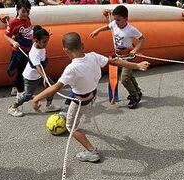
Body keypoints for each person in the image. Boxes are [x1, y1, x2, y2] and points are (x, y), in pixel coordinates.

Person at [31, 32, 150, 162]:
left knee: (71, 127)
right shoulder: (93, 56)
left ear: (65, 50)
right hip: (92, 96)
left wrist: (37, 98)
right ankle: (67, 113)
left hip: (81, 102)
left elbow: (56, 87)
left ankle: (91, 151)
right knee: (73, 95)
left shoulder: (71, 68)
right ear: (82, 45)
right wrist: (137, 65)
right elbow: (114, 61)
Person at [90, 5, 146, 108]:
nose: (116, 22)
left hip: (129, 56)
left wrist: (135, 50)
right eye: (115, 19)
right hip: (119, 56)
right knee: (129, 76)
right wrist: (97, 31)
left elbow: (142, 39)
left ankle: (135, 96)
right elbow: (108, 26)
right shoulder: (114, 24)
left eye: (118, 20)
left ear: (126, 19)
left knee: (124, 78)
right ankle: (137, 91)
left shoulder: (131, 29)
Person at [8, 26, 59, 117]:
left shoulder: (38, 44)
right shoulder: (35, 53)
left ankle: (49, 105)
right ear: (36, 40)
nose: (46, 43)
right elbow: (38, 67)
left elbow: (36, 31)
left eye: (47, 41)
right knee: (27, 95)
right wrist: (44, 77)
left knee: (53, 87)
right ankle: (13, 107)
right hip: (31, 77)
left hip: (38, 75)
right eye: (44, 41)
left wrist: (46, 34)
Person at [3, 0, 34, 96]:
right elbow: (6, 35)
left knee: (25, 69)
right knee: (20, 70)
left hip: (28, 49)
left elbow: (30, 32)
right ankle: (19, 90)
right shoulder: (13, 22)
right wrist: (13, 42)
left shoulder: (27, 19)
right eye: (23, 11)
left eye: (28, 11)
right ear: (17, 9)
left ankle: (18, 87)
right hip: (19, 51)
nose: (25, 14)